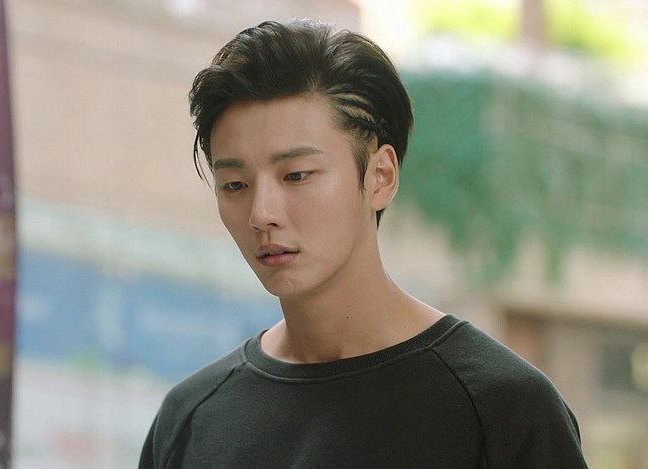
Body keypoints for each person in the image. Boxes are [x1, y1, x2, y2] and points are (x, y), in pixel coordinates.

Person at [139, 18, 587, 468]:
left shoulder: (502, 410)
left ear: (380, 176)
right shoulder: (190, 421)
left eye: (296, 175)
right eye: (235, 184)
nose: (261, 214)